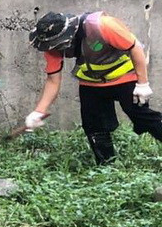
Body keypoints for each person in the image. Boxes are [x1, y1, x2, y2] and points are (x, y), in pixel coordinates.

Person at [25, 11, 160, 163]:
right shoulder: (50, 43)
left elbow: (135, 47)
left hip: (125, 76)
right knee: (94, 126)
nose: (55, 49)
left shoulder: (103, 25)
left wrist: (143, 84)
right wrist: (39, 111)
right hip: (91, 82)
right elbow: (53, 80)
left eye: (58, 45)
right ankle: (106, 165)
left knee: (143, 117)